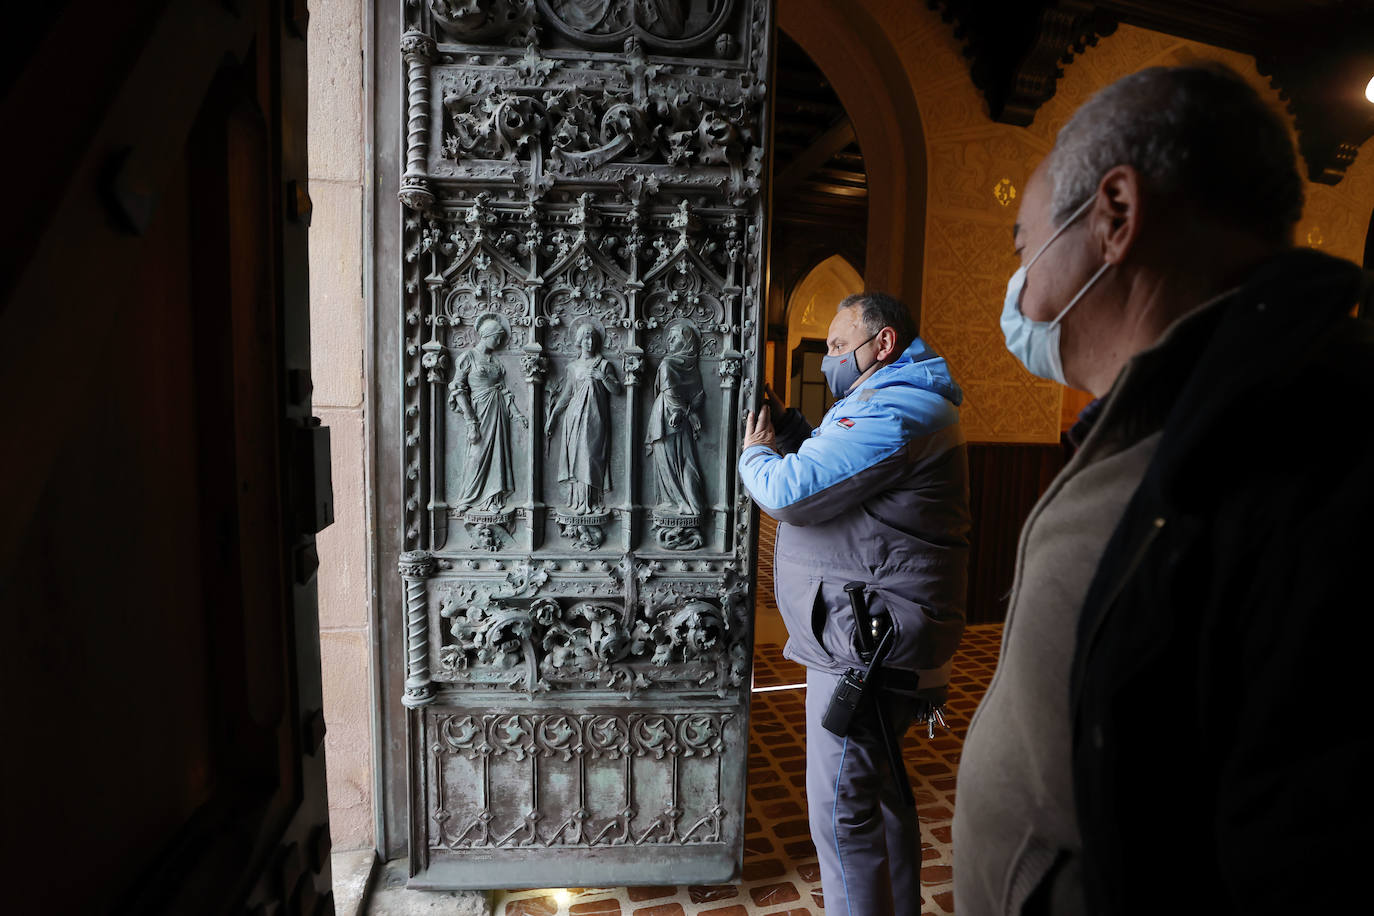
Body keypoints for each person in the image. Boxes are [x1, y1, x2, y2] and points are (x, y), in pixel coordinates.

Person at [952, 62, 1374, 915]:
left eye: (1025, 244)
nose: (1021, 285)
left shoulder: (1304, 463)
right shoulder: (1166, 416)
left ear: (1114, 216)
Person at [739, 292, 971, 916]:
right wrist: (789, 431)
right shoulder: (892, 399)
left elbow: (791, 492)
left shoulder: (895, 408)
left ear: (884, 343)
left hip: (863, 644)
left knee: (842, 816)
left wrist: (757, 452)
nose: (829, 360)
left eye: (839, 347)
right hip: (873, 627)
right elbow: (837, 466)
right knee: (879, 795)